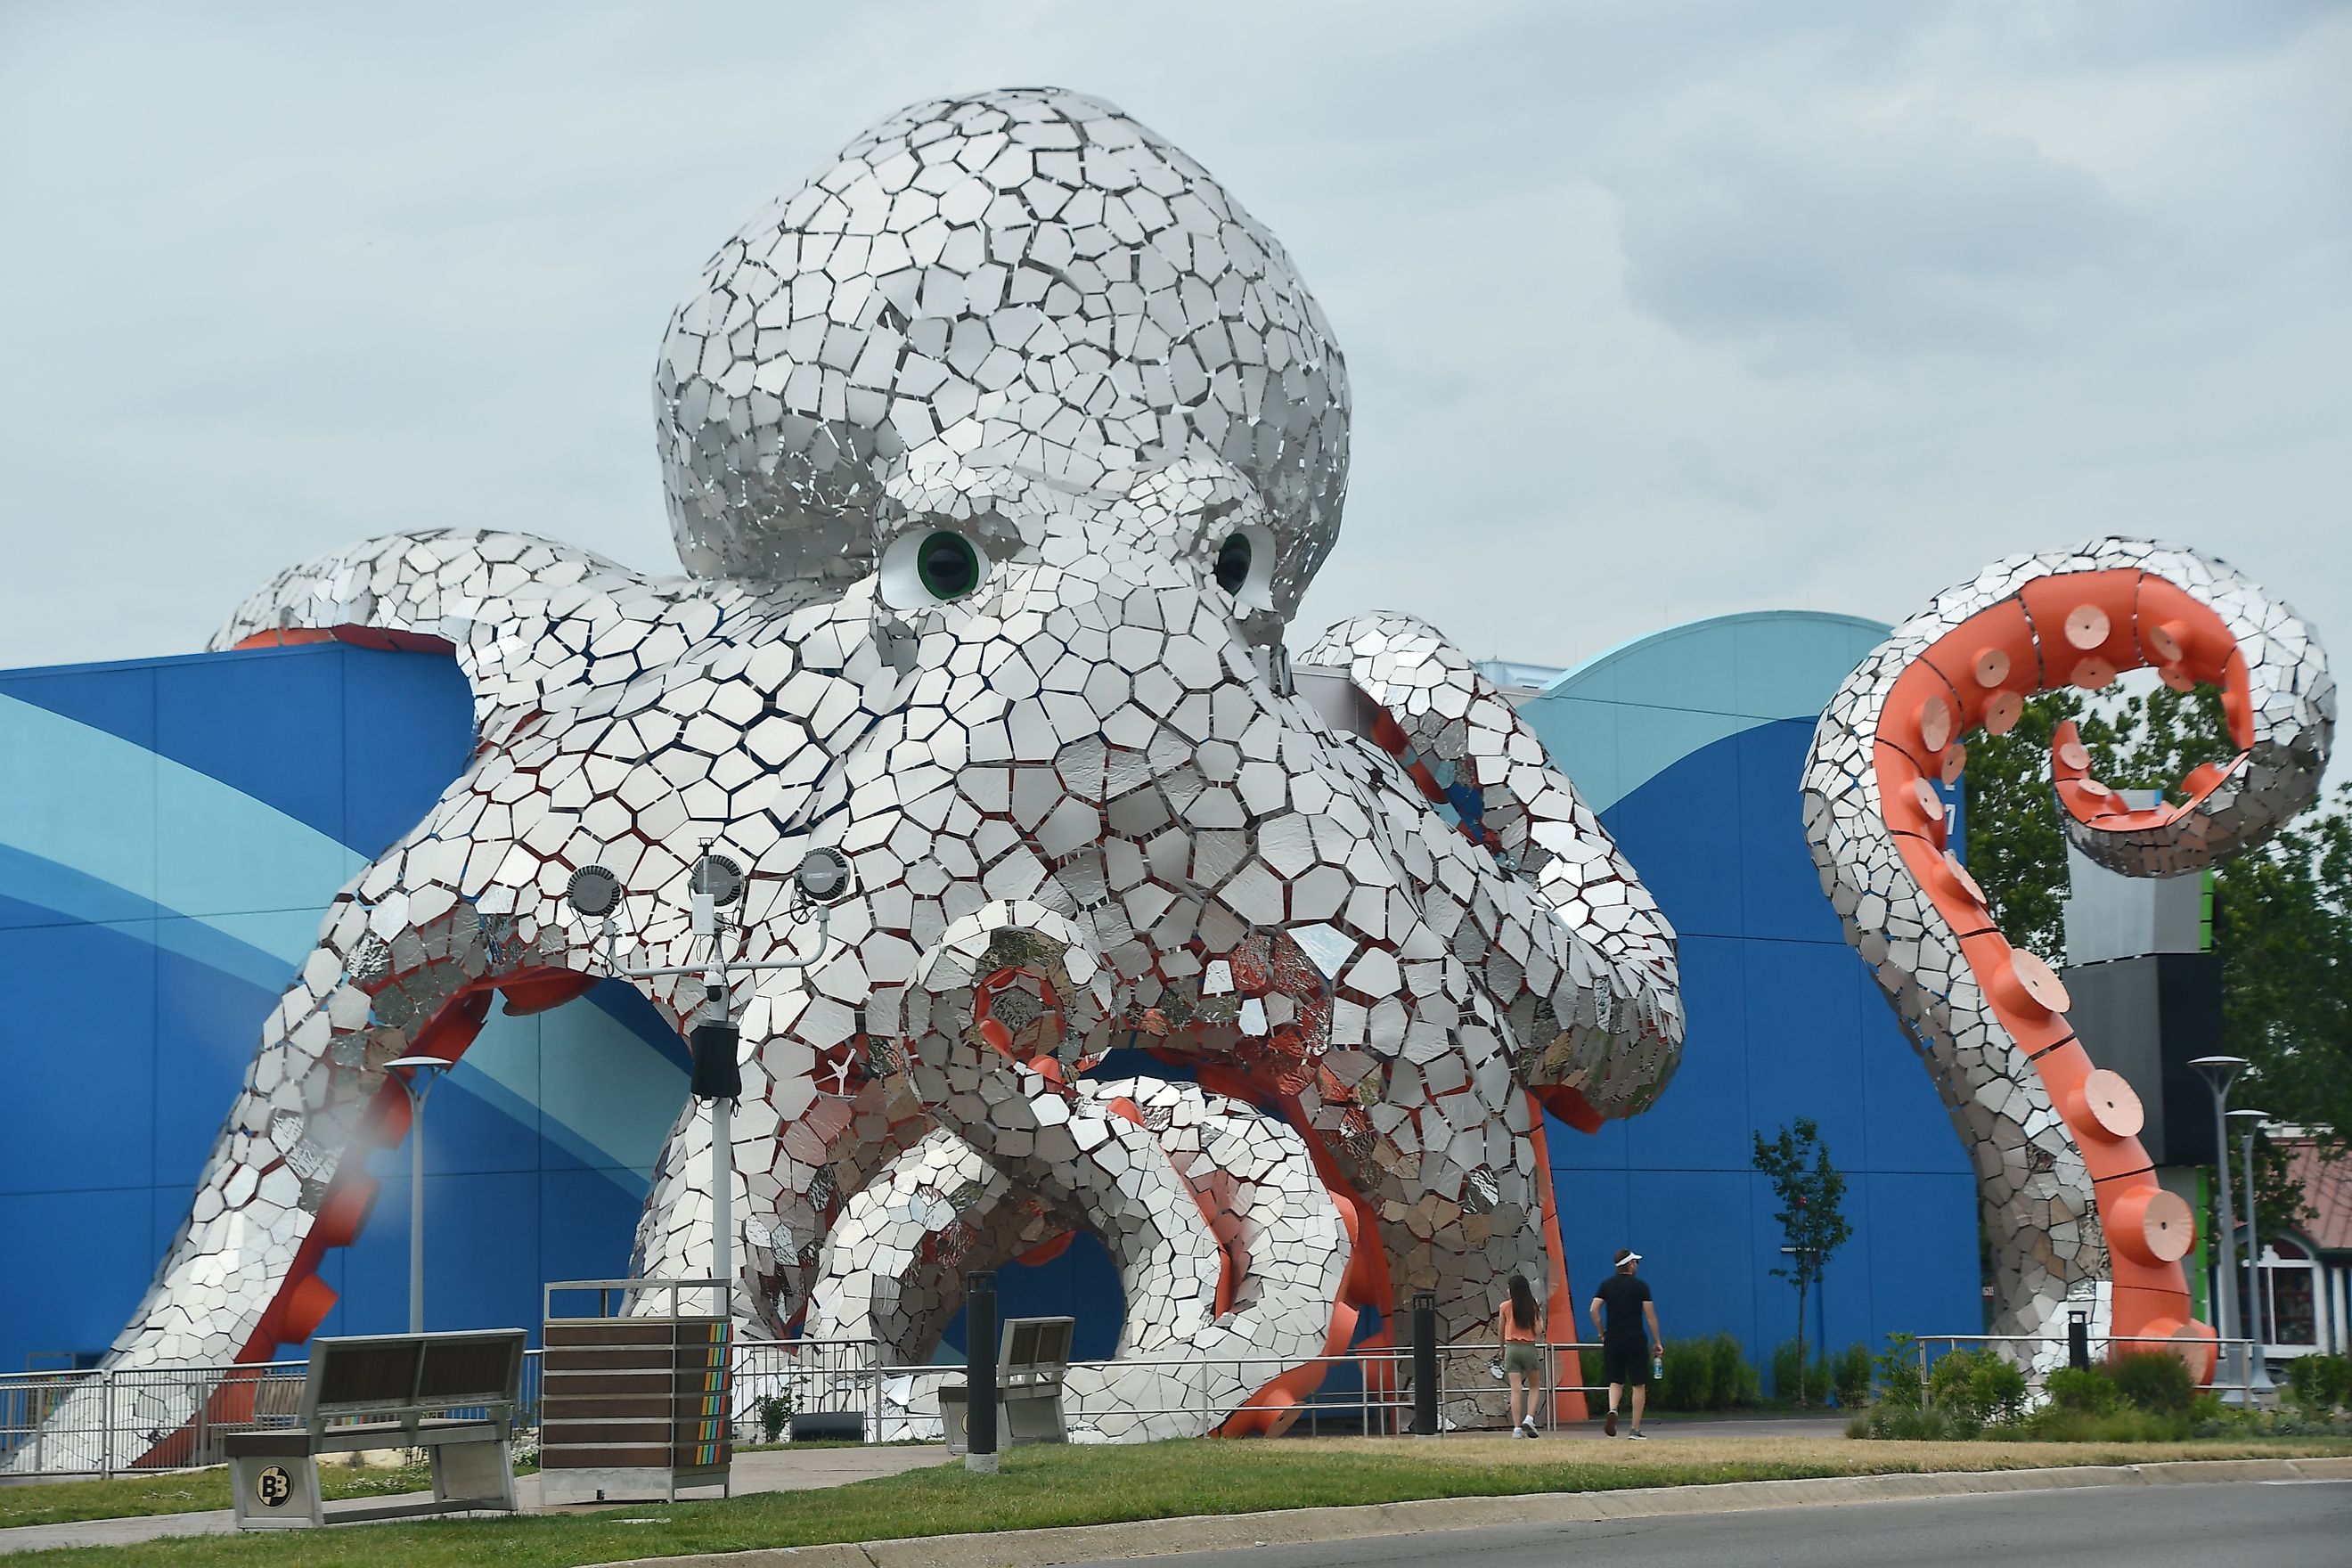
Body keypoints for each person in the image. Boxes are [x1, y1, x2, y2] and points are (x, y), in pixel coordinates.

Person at [1588, 1247, 1660, 1438]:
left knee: (1615, 1380)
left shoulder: (1606, 1285)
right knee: (1638, 1384)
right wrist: (1657, 1341)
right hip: (1635, 1338)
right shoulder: (1641, 1287)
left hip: (1613, 1338)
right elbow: (1650, 1317)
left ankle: (1613, 1409)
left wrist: (1602, 1332)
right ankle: (1635, 1430)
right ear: (1629, 1264)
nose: (1637, 1265)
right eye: (1636, 1262)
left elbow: (1593, 1310)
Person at [1496, 1273, 1545, 1437]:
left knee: (1515, 1389)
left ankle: (1516, 1429)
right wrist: (1539, 1315)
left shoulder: (1504, 1307)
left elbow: (1501, 1330)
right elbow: (1538, 1331)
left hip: (1511, 1348)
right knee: (1535, 1386)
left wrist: (1501, 1348)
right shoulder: (1533, 1306)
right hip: (1529, 1348)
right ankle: (1529, 1418)